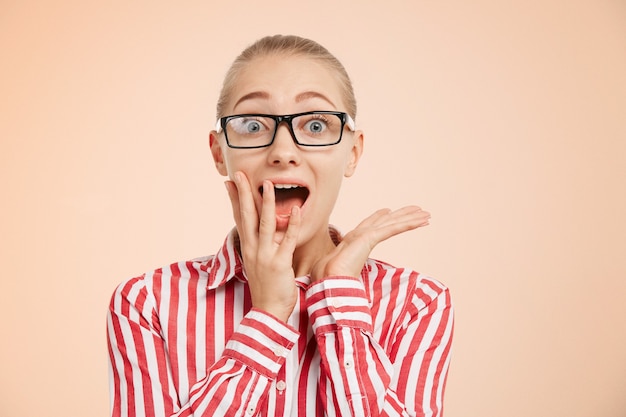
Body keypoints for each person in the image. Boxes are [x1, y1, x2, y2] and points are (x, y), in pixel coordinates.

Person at [107, 34, 453, 417]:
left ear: (352, 153)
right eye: (253, 125)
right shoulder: (147, 303)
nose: (283, 152)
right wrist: (269, 314)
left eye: (317, 126)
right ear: (219, 153)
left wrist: (338, 292)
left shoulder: (416, 303)